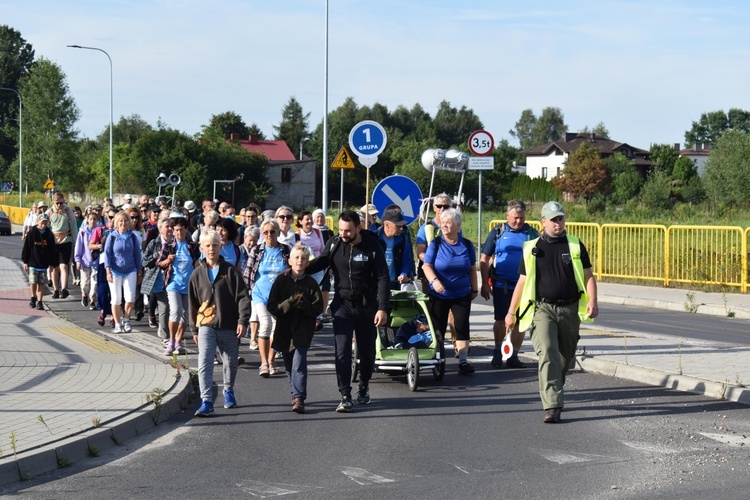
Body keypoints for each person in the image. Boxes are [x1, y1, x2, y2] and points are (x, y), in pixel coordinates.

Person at [505, 201, 599, 424]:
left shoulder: (575, 245)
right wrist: (511, 312)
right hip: (542, 308)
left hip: (569, 308)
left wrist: (593, 300)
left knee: (565, 358)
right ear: (543, 222)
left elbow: (588, 276)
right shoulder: (532, 248)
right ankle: (552, 406)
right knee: (547, 353)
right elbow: (522, 281)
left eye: (561, 219)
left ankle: (553, 388)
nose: (558, 223)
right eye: (554, 219)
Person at [306, 210, 389, 413]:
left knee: (367, 353)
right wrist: (299, 269)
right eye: (341, 230)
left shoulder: (372, 245)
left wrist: (382, 308)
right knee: (342, 351)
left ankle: (364, 385)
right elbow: (321, 262)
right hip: (342, 305)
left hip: (366, 306)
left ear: (358, 227)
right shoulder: (335, 244)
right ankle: (345, 394)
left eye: (348, 231)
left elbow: (383, 277)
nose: (344, 234)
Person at [190, 229, 251, 417]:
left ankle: (228, 390)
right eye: (207, 245)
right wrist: (194, 327)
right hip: (206, 325)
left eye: (215, 245)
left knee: (230, 362)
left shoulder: (231, 271)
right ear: (201, 247)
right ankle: (206, 400)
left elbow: (242, 297)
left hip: (229, 324)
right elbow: (192, 302)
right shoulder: (197, 274)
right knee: (205, 361)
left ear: (220, 246)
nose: (211, 249)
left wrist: (243, 320)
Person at [479, 200, 539, 369]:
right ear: (507, 216)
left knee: (520, 322)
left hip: (524, 287)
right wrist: (485, 283)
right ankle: (498, 351)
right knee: (500, 320)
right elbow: (484, 259)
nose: (518, 221)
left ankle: (513, 355)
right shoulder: (497, 232)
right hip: (501, 285)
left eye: (521, 218)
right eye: (515, 218)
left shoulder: (531, 233)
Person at [268, 243, 324, 414]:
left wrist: (304, 305)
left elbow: (318, 308)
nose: (300, 261)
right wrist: (290, 302)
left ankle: (299, 397)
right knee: (288, 364)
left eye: (304, 258)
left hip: (303, 330)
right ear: (290, 260)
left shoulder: (311, 283)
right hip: (285, 329)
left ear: (308, 263)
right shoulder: (281, 280)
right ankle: (295, 392)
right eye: (297, 258)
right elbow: (272, 306)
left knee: (299, 363)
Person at [422, 208, 478, 374]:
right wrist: (434, 281)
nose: (444, 225)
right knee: (438, 327)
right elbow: (427, 265)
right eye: (443, 222)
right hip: (438, 294)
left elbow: (472, 269)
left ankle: (463, 361)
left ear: (458, 226)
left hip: (461, 293)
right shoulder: (436, 244)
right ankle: (438, 359)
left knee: (461, 325)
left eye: (448, 222)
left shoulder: (466, 245)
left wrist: (474, 289)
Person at [243, 218, 291, 377]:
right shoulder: (257, 251)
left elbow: (291, 272)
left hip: (279, 297)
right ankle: (263, 363)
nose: (269, 234)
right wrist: (248, 293)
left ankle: (271, 361)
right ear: (262, 234)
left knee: (277, 330)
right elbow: (248, 274)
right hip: (260, 295)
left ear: (278, 232)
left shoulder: (285, 250)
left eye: (272, 231)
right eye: (266, 232)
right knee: (265, 324)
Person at [158, 213, 200, 355]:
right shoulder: (169, 246)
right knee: (175, 311)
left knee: (186, 315)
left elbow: (198, 263)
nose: (178, 232)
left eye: (181, 229)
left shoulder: (192, 246)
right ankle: (170, 341)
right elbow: (160, 264)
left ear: (186, 230)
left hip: (188, 285)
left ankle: (178, 341)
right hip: (173, 284)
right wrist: (168, 260)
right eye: (176, 230)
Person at [104, 211, 144, 333]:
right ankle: (117, 323)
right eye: (121, 221)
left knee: (130, 297)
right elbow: (107, 254)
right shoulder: (112, 236)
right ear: (116, 223)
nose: (123, 223)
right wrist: (108, 271)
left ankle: (126, 319)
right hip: (115, 270)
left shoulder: (133, 237)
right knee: (116, 299)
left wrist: (139, 272)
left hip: (130, 270)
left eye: (126, 221)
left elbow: (137, 254)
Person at [142, 217, 172, 347]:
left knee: (174, 310)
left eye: (171, 226)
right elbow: (144, 261)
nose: (170, 229)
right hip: (157, 281)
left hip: (172, 280)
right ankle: (166, 336)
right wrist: (157, 256)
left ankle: (166, 329)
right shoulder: (154, 243)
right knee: (164, 307)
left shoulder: (176, 243)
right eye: (167, 226)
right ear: (160, 229)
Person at [22, 213, 58, 311]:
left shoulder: (49, 234)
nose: (43, 225)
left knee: (41, 283)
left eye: (45, 223)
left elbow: (52, 250)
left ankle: (40, 301)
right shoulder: (32, 232)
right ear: (37, 222)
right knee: (33, 282)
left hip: (43, 263)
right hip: (33, 262)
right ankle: (33, 297)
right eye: (42, 223)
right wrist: (25, 261)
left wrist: (52, 263)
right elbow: (27, 247)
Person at [46, 192, 78, 299]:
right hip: (53, 243)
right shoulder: (49, 212)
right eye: (57, 203)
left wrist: (75, 242)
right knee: (54, 268)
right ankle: (56, 290)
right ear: (54, 202)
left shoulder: (68, 212)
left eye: (61, 203)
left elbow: (73, 227)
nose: (59, 205)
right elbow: (45, 228)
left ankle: (64, 289)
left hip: (66, 241)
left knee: (64, 266)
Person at [376, 207, 415, 291]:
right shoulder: (373, 238)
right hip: (376, 284)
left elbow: (407, 261)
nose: (401, 228)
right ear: (387, 225)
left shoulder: (402, 239)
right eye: (398, 226)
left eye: (402, 226)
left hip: (394, 284)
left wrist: (403, 274)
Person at [74, 211, 101, 309]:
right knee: (85, 282)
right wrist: (78, 260)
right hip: (85, 261)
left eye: (94, 219)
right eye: (91, 219)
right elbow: (79, 246)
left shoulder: (99, 231)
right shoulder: (83, 232)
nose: (92, 221)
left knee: (95, 282)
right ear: (87, 220)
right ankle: (84, 294)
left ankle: (93, 299)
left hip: (96, 261)